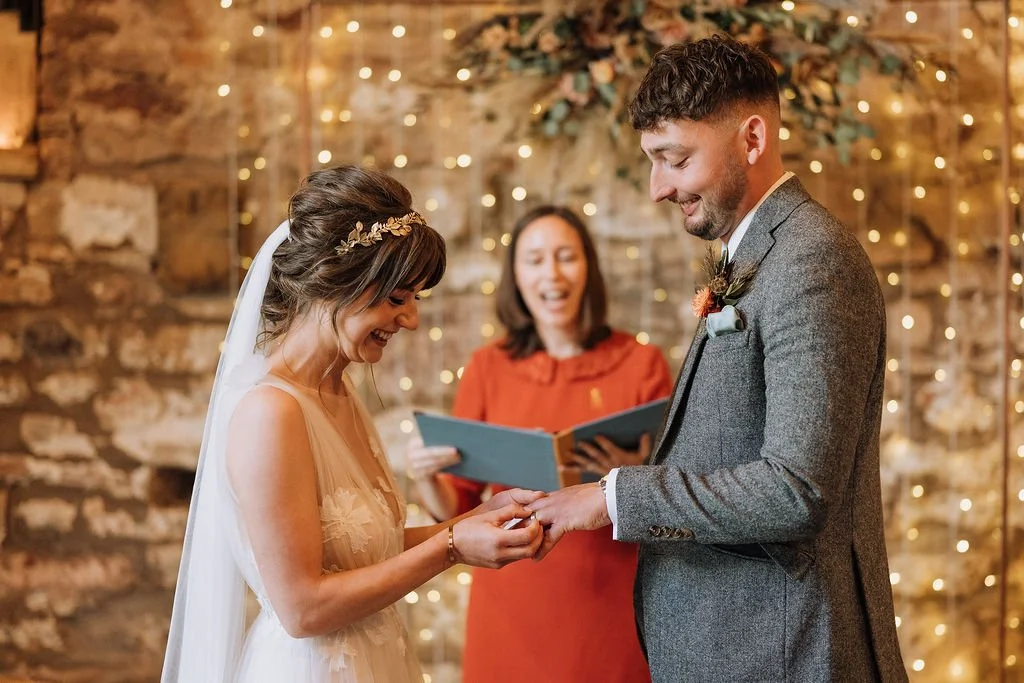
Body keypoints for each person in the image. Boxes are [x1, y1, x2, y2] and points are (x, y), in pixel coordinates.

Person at [529, 36, 908, 682]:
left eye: (673, 159)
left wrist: (616, 496)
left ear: (752, 139)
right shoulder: (762, 253)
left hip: (785, 656)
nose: (657, 188)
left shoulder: (813, 260)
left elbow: (797, 489)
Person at [160, 165, 545, 683]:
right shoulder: (270, 413)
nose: (410, 320)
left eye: (414, 300)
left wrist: (472, 520)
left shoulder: (340, 390)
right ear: (335, 284)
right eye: (396, 299)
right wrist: (451, 551)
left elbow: (366, 550)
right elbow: (303, 609)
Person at [406, 205, 672, 683]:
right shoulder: (487, 367)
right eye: (534, 260)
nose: (551, 273)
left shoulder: (641, 363)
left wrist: (634, 471)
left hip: (613, 600)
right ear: (516, 277)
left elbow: (673, 495)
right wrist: (427, 474)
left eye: (566, 256)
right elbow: (457, 507)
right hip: (512, 602)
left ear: (588, 267)